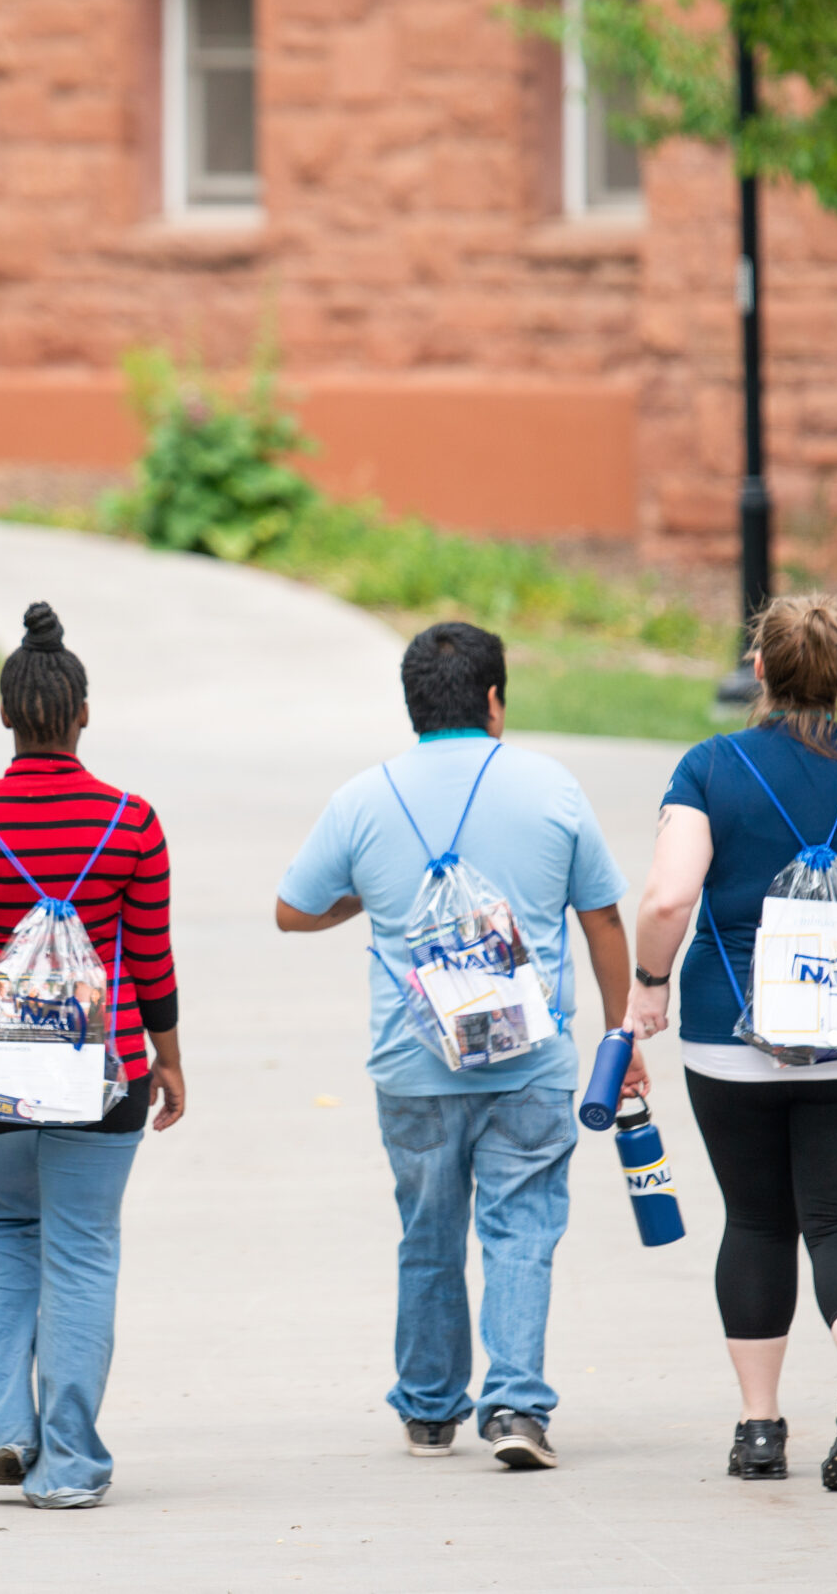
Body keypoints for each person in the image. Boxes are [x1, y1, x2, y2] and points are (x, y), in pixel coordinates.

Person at [275, 621, 637, 1470]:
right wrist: (620, 1036)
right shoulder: (552, 789)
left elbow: (293, 907)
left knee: (428, 1229)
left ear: (413, 707)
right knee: (521, 1226)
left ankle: (432, 1410)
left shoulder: (364, 799)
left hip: (414, 1065)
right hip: (532, 1060)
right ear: (494, 700)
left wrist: (374, 901)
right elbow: (604, 918)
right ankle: (515, 1407)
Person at [624, 593, 837, 1492]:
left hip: (734, 1042)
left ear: (757, 670)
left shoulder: (709, 767)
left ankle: (760, 1429)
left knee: (758, 1220)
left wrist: (649, 986)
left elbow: (665, 899)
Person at [0, 602, 185, 1510]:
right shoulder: (132, 823)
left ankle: (1, 1427)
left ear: (4, 718)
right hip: (105, 1080)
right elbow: (150, 958)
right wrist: (169, 1059)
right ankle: (67, 1461)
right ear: (83, 713)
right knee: (82, 1248)